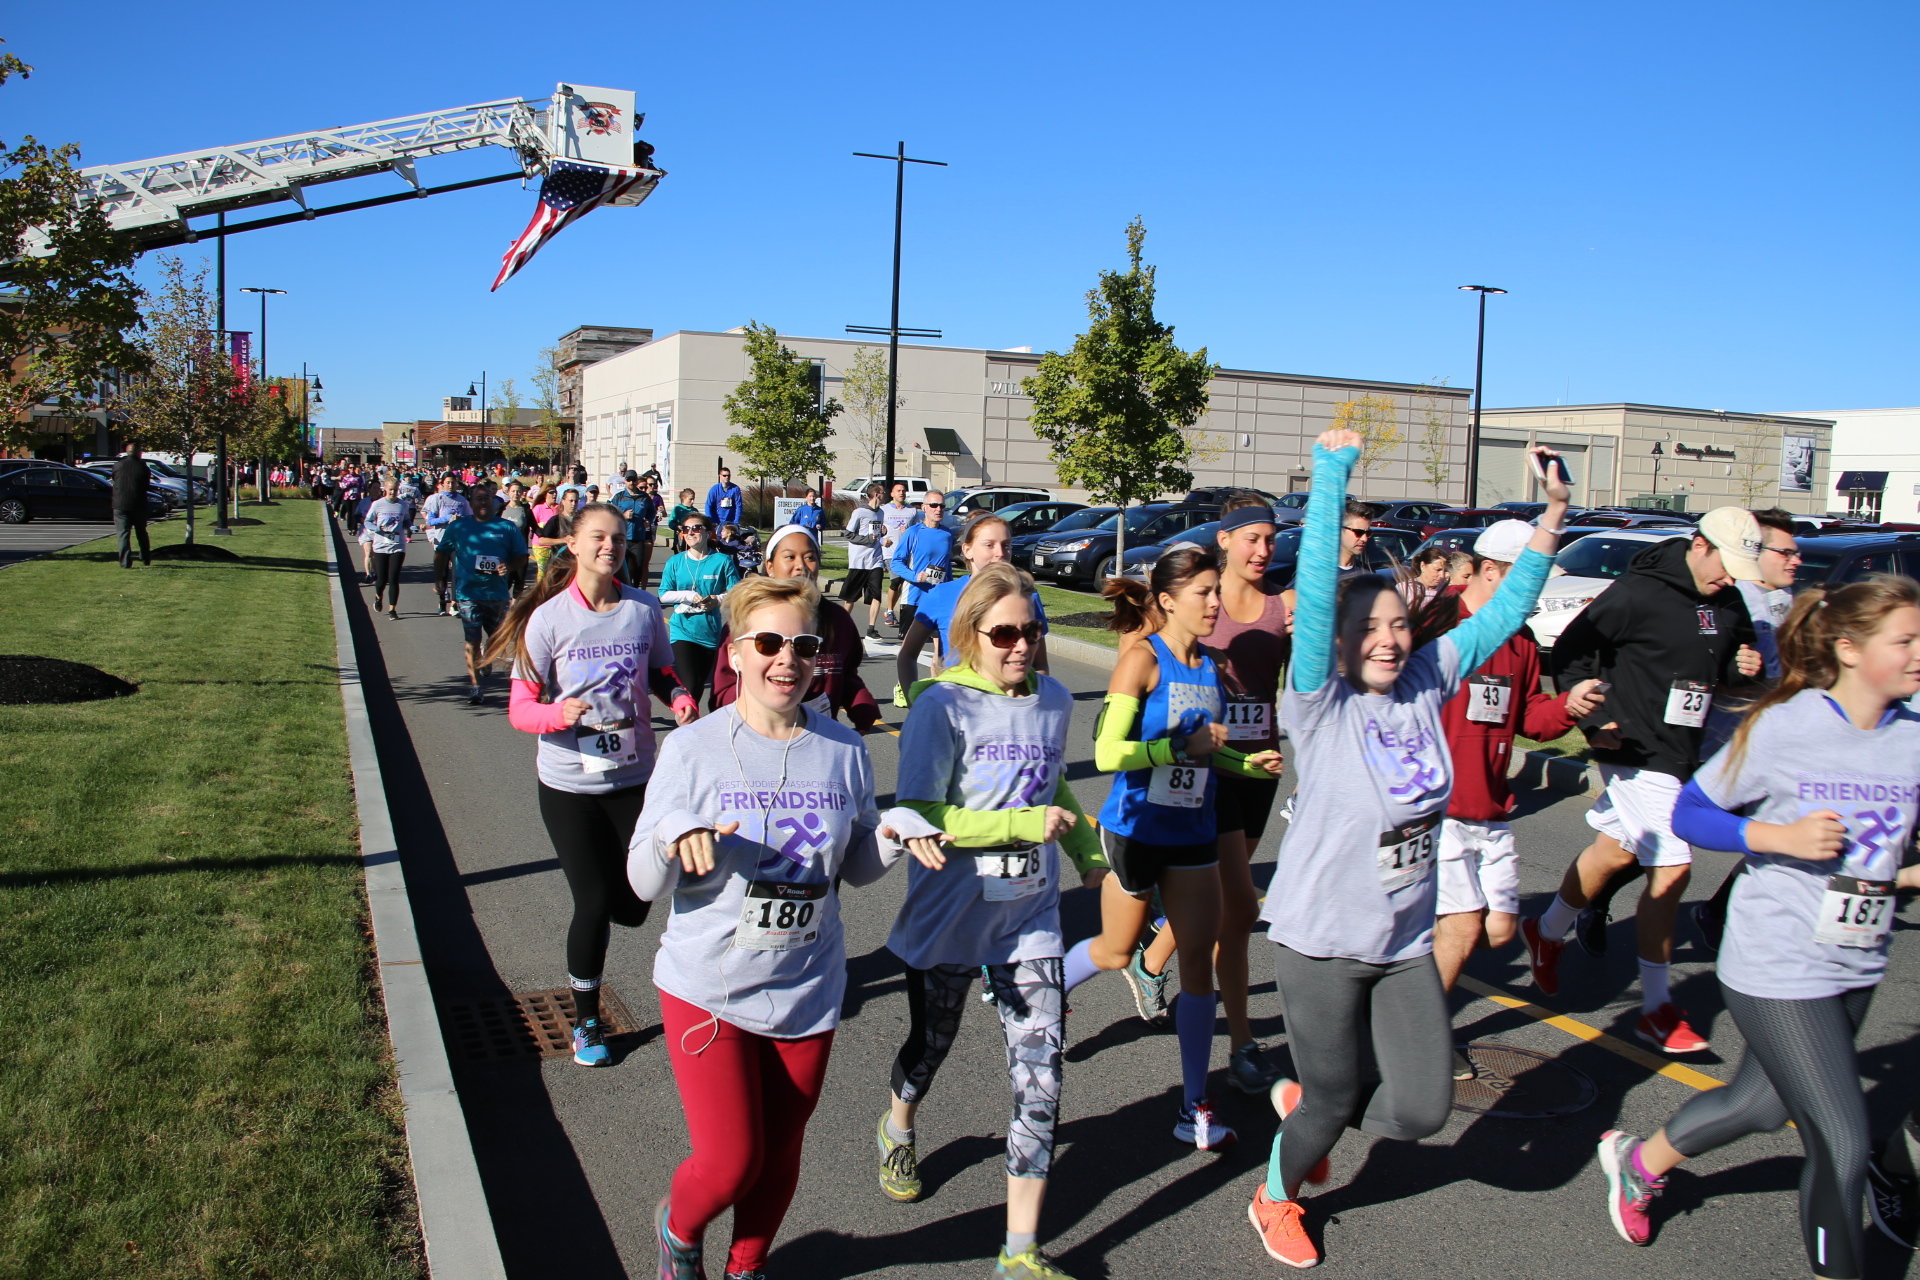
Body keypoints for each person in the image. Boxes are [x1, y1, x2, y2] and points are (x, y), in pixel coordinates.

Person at [1245, 433, 1567, 1270]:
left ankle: (1307, 1108)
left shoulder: (1430, 677)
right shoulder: (1319, 704)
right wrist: (1329, 476)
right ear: (1339, 644)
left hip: (1402, 942)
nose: (1387, 639)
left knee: (1422, 1111)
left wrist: (1553, 518)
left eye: (1397, 623)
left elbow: (1500, 614)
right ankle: (1276, 1195)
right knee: (1332, 1099)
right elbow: (1316, 591)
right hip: (1320, 939)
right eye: (1368, 629)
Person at [1593, 576, 1920, 1280]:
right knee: (1843, 1140)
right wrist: (1778, 836)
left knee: (1761, 1104)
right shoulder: (1787, 725)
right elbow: (1691, 815)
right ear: (1851, 648)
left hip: (1856, 956)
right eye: (1906, 641)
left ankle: (1638, 1162)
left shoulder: (1913, 737)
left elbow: (1891, 846)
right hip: (1777, 960)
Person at [624, 574, 939, 1280]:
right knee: (732, 1158)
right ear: (734, 652)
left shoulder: (842, 749)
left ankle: (746, 1266)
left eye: (803, 644)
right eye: (768, 642)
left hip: (806, 984)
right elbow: (641, 883)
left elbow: (854, 869)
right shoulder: (694, 749)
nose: (787, 659)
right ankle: (678, 1231)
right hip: (709, 985)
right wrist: (674, 835)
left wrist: (891, 832)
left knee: (782, 1150)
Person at [879, 562, 1106, 1280]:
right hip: (950, 912)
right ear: (970, 634)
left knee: (1041, 1077)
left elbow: (1054, 780)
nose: (1020, 645)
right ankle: (899, 1124)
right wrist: (1022, 822)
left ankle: (1019, 1250)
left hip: (1029, 920)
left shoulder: (1054, 699)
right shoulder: (941, 706)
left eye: (1031, 631)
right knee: (932, 1046)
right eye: (1004, 632)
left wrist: (1086, 851)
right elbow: (919, 811)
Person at [1062, 546, 1285, 1152]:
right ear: (1166, 601)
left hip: (1193, 832)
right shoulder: (1142, 661)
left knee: (1196, 965)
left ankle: (1195, 1105)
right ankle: (1043, 996)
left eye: (1217, 591)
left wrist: (1247, 761)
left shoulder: (1211, 667)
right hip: (1135, 829)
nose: (1217, 603)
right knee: (1113, 950)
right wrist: (1175, 749)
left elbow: (1207, 751)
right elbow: (1108, 754)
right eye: (1204, 593)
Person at [1520, 508, 1764, 1054]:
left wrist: (1740, 666)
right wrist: (1589, 719)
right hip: (1629, 742)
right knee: (1672, 865)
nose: (1731, 578)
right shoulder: (1638, 592)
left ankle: (1548, 930)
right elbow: (1570, 651)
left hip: (1683, 747)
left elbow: (1719, 664)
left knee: (1615, 851)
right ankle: (1657, 1008)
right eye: (1727, 564)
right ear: (1699, 545)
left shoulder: (1727, 599)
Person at [489, 501, 696, 1069]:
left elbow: (660, 669)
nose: (611, 546)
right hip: (569, 784)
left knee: (639, 900)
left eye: (620, 538)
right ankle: (586, 1020)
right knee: (594, 899)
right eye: (599, 537)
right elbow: (521, 710)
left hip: (633, 777)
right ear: (573, 546)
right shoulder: (547, 620)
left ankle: (620, 912)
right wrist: (559, 715)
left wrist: (677, 696)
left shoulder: (644, 608)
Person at [1417, 521, 1606, 1078]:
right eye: (1528, 578)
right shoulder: (1438, 625)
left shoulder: (1520, 642)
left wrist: (1570, 705)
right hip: (1433, 805)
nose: (1535, 592)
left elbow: (1528, 719)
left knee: (1497, 930)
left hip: (1489, 808)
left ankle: (1396, 1012)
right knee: (1464, 925)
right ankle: (1421, 1039)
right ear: (1491, 571)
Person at [709, 524, 883, 731]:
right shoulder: (749, 618)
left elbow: (846, 674)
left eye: (810, 557)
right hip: (755, 737)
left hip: (818, 739)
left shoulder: (838, 620)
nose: (801, 565)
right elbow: (722, 691)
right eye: (790, 557)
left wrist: (862, 708)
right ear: (770, 566)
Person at [896, 513, 1049, 699]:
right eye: (989, 545)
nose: (1000, 553)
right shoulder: (941, 595)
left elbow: (1040, 665)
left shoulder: (1026, 596)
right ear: (967, 550)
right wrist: (915, 702)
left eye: (1006, 545)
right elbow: (907, 655)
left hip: (1010, 710)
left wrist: (1037, 702)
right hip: (955, 709)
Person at [442, 489, 529, 704]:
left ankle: (487, 654)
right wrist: (439, 580)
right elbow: (442, 553)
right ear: (470, 502)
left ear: (494, 502)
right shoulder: (458, 527)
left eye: (487, 498)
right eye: (479, 498)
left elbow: (522, 556)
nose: (483, 502)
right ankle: (475, 686)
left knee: (497, 639)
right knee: (471, 639)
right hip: (467, 593)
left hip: (496, 594)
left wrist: (509, 566)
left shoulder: (506, 527)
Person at [658, 512, 743, 704]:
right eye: (685, 529)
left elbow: (737, 592)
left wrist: (717, 599)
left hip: (711, 633)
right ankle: (685, 727)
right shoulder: (675, 562)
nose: (690, 533)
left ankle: (694, 726)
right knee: (691, 685)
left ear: (708, 533)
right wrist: (687, 595)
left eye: (696, 528)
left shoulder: (722, 561)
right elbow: (664, 594)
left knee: (704, 686)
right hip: (682, 631)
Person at [887, 492, 956, 701]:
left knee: (940, 647)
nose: (938, 509)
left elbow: (947, 569)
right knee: (909, 648)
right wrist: (915, 576)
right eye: (934, 505)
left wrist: (951, 591)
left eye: (942, 506)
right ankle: (903, 687)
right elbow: (896, 562)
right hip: (914, 597)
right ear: (924, 507)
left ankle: (938, 689)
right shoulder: (913, 533)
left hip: (939, 599)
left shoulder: (947, 535)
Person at [358, 477, 415, 621]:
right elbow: (368, 521)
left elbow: (406, 520)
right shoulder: (378, 504)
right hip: (381, 545)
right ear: (385, 489)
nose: (393, 493)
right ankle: (378, 596)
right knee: (381, 579)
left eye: (395, 490)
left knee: (394, 578)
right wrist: (376, 529)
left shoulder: (403, 505)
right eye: (390, 490)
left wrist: (410, 526)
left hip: (397, 545)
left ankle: (392, 609)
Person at [843, 483, 889, 640]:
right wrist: (867, 539)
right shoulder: (859, 512)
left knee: (876, 595)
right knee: (851, 597)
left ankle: (871, 629)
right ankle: (841, 625)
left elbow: (877, 534)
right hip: (859, 561)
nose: (885, 495)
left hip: (875, 560)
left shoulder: (881, 513)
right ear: (876, 494)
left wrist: (883, 533)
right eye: (883, 492)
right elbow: (848, 534)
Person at [423, 475, 473, 615]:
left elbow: (470, 518)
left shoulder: (462, 500)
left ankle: (454, 604)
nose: (451, 485)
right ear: (442, 484)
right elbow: (430, 521)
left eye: (453, 482)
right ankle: (441, 602)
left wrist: (461, 520)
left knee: (457, 573)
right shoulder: (436, 499)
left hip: (458, 542)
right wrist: (447, 518)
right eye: (448, 483)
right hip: (442, 540)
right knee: (442, 574)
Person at [879, 481, 918, 628]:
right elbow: (875, 530)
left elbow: (917, 529)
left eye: (903, 490)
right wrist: (882, 540)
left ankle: (894, 610)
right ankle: (889, 611)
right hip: (890, 552)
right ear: (892, 494)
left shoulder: (912, 511)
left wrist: (908, 532)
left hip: (907, 553)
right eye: (898, 490)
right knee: (896, 581)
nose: (902, 493)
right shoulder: (884, 510)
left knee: (902, 583)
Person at [610, 471, 658, 586]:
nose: (631, 482)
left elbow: (652, 512)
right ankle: (620, 593)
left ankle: (635, 591)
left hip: (638, 537)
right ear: (625, 481)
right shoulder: (619, 497)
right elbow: (610, 515)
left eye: (633, 480)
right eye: (628, 480)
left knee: (637, 568)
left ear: (636, 481)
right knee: (621, 569)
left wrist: (648, 521)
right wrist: (623, 515)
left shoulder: (644, 497)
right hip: (622, 538)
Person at [112, 447, 152, 569]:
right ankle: (145, 556)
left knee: (123, 534)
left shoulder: (118, 465)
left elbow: (114, 479)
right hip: (138, 503)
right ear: (139, 453)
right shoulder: (143, 467)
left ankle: (125, 561)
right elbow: (146, 484)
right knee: (141, 532)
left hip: (120, 504)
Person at [497, 481, 535, 597]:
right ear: (508, 492)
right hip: (504, 552)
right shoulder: (501, 508)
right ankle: (501, 608)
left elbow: (536, 528)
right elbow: (492, 526)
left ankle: (514, 611)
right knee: (505, 583)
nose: (516, 494)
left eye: (519, 491)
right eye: (513, 491)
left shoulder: (526, 510)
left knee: (519, 583)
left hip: (520, 552)